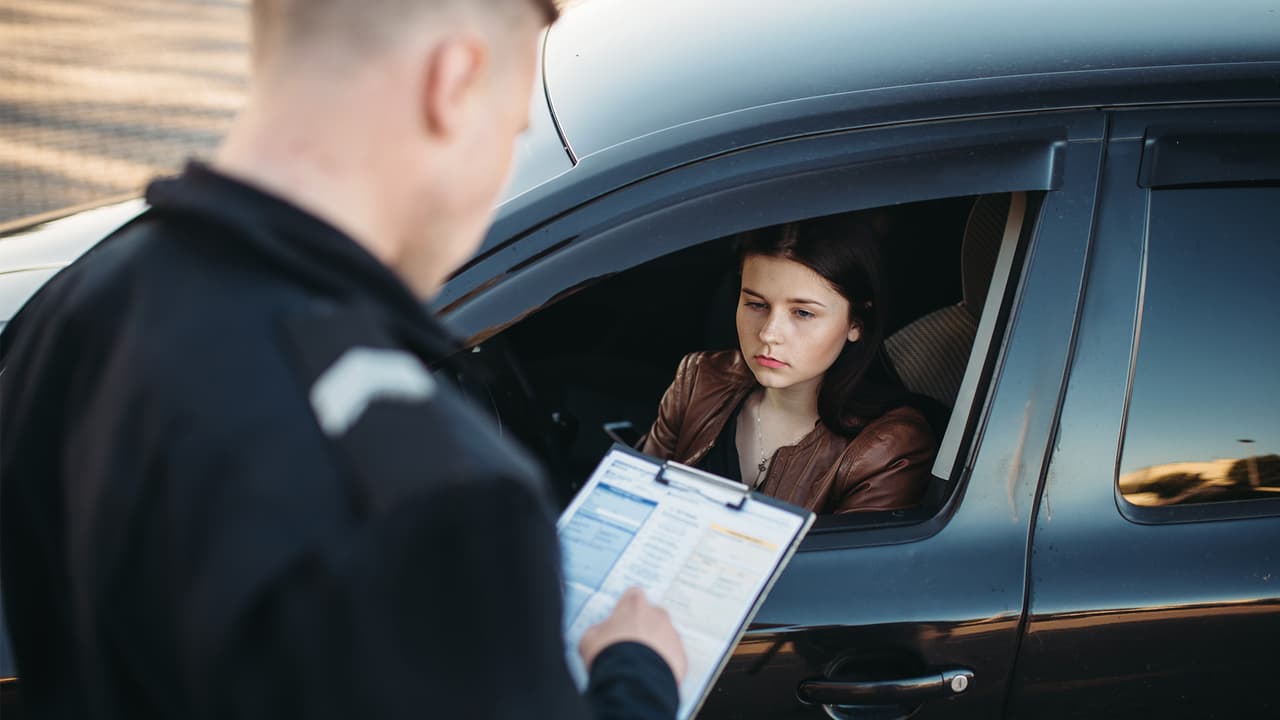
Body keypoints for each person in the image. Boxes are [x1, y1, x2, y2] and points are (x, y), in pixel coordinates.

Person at [0, 1, 685, 719]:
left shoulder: (76, 310)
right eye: (514, 132)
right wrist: (636, 680)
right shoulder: (445, 502)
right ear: (455, 80)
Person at [641, 218, 936, 514]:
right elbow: (634, 501)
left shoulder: (887, 449)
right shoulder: (700, 380)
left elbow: (845, 561)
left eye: (803, 313)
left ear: (856, 323)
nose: (769, 334)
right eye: (756, 305)